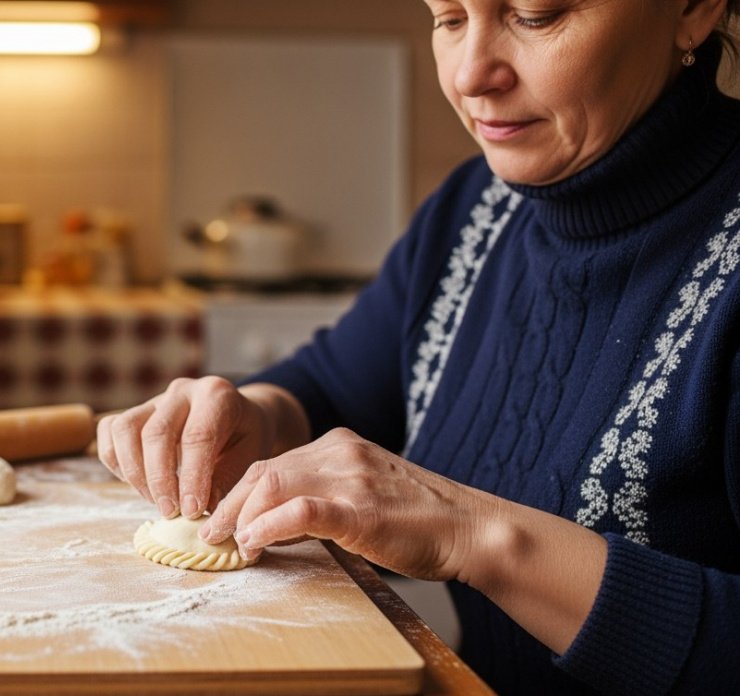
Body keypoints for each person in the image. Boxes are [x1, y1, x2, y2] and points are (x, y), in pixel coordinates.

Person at [97, 1, 740, 694]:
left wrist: (477, 536)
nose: (471, 75)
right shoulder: (473, 210)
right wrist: (251, 415)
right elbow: (332, 388)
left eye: (536, 15)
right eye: (449, 17)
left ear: (695, 9)